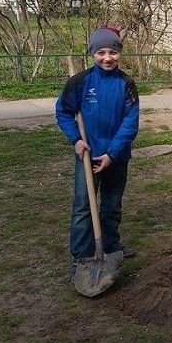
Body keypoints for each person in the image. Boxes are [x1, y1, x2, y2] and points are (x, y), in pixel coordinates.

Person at [55, 26, 140, 275]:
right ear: (93, 53)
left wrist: (112, 154)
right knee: (83, 207)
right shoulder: (80, 83)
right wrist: (75, 140)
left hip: (116, 157)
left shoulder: (126, 84)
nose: (107, 58)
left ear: (119, 53)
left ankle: (111, 246)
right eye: (101, 52)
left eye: (113, 52)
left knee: (112, 205)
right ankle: (81, 256)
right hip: (88, 156)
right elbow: (64, 112)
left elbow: (130, 123)